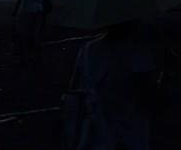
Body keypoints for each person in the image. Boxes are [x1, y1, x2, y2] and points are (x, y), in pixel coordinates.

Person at [65, 20, 160, 150]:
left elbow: (74, 88)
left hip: (96, 131)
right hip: (131, 133)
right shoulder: (137, 51)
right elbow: (147, 94)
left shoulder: (88, 50)